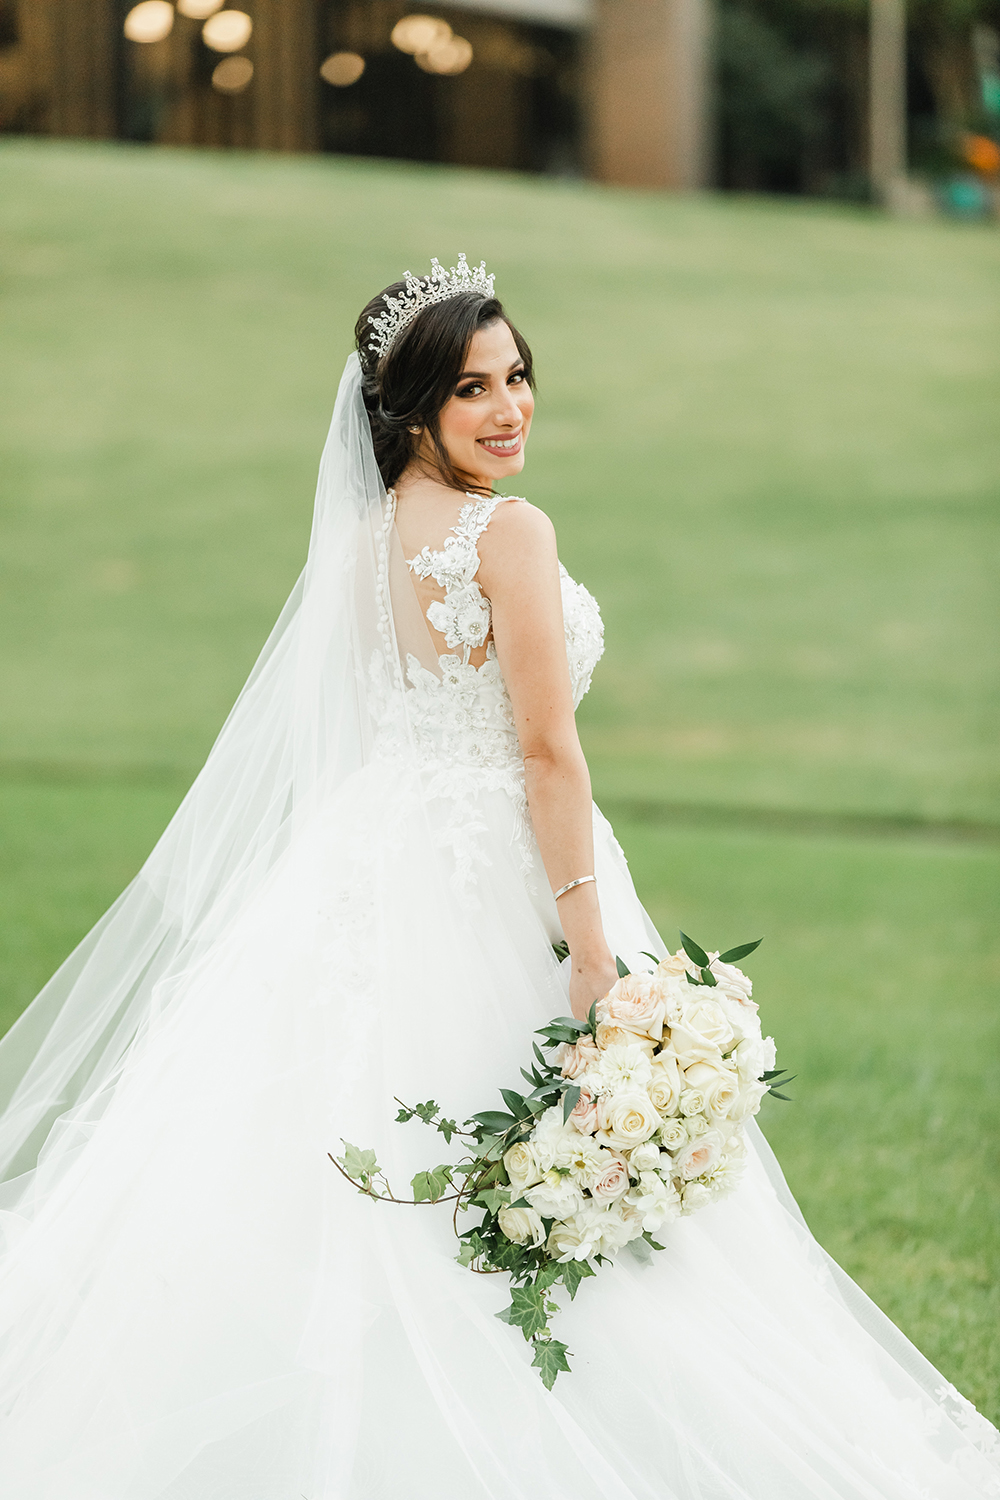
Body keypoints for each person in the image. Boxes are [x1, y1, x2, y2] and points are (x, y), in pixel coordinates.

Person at [0, 256, 995, 1499]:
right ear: (411, 410)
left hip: (370, 857)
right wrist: (588, 948)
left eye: (517, 377)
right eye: (472, 388)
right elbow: (542, 750)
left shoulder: (364, 543)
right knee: (554, 1160)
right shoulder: (506, 532)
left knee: (342, 1153)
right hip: (502, 869)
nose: (508, 408)